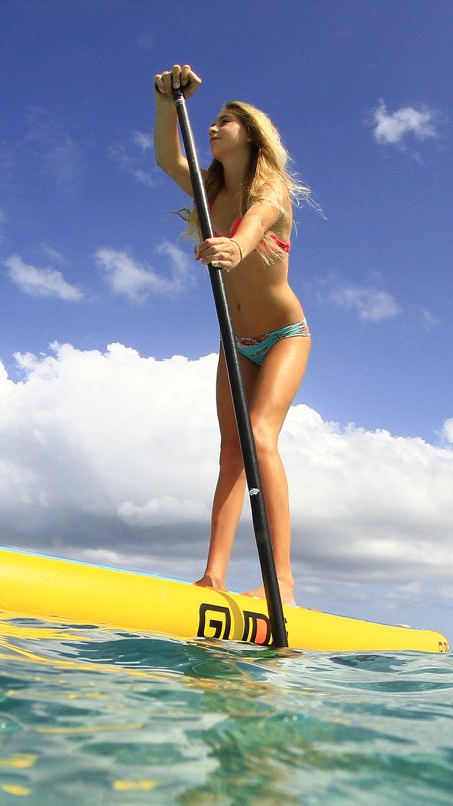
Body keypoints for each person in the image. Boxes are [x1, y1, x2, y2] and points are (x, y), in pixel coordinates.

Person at [151, 64, 311, 608]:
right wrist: (165, 103)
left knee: (260, 436)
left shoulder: (272, 190)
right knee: (230, 456)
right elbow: (167, 159)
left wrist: (236, 247)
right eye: (212, 121)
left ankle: (281, 583)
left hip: (286, 334)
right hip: (236, 340)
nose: (214, 127)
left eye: (224, 121)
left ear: (252, 133)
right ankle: (213, 577)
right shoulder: (209, 189)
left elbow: (256, 224)